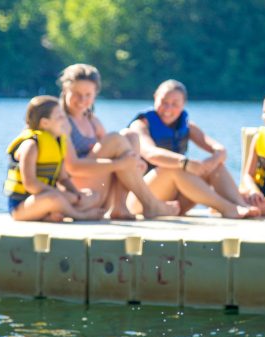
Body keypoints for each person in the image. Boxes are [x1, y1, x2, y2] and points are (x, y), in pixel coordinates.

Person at [57, 64, 178, 220]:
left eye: (88, 94)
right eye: (77, 94)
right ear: (65, 91)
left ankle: (120, 206)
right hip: (80, 195)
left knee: (130, 136)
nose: (82, 100)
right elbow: (72, 168)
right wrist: (121, 164)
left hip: (101, 193)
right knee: (115, 139)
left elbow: (118, 153)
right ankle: (151, 204)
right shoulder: (60, 122)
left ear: (95, 94)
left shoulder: (93, 122)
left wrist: (133, 165)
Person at [126, 79, 259, 219]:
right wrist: (186, 163)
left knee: (216, 166)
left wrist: (210, 162)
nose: (168, 109)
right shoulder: (140, 125)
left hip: (175, 201)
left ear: (184, 104)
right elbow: (150, 153)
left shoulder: (187, 126)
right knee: (172, 167)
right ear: (155, 98)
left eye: (175, 104)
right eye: (164, 102)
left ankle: (240, 204)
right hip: (139, 200)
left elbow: (220, 150)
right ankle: (227, 208)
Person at [4, 96, 105, 222]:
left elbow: (62, 178)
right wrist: (62, 195)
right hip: (22, 206)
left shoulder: (58, 143)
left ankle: (52, 214)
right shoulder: (31, 145)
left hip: (50, 197)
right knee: (54, 199)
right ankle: (80, 215)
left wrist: (76, 194)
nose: (65, 120)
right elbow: (30, 184)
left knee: (93, 195)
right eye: (60, 117)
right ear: (45, 123)